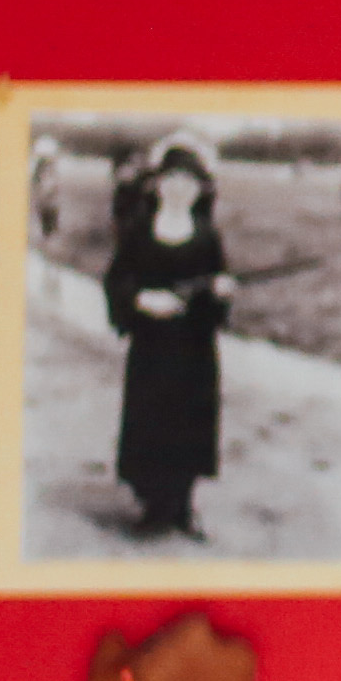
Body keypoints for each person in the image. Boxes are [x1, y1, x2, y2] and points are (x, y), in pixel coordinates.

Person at [105, 148, 227, 535]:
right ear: (157, 185)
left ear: (199, 190)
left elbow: (214, 293)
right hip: (151, 349)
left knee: (189, 423)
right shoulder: (139, 231)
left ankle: (183, 507)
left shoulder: (208, 236)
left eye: (187, 183)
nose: (179, 189)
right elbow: (117, 279)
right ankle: (155, 506)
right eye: (171, 180)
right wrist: (142, 299)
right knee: (152, 421)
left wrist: (220, 292)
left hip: (193, 350)